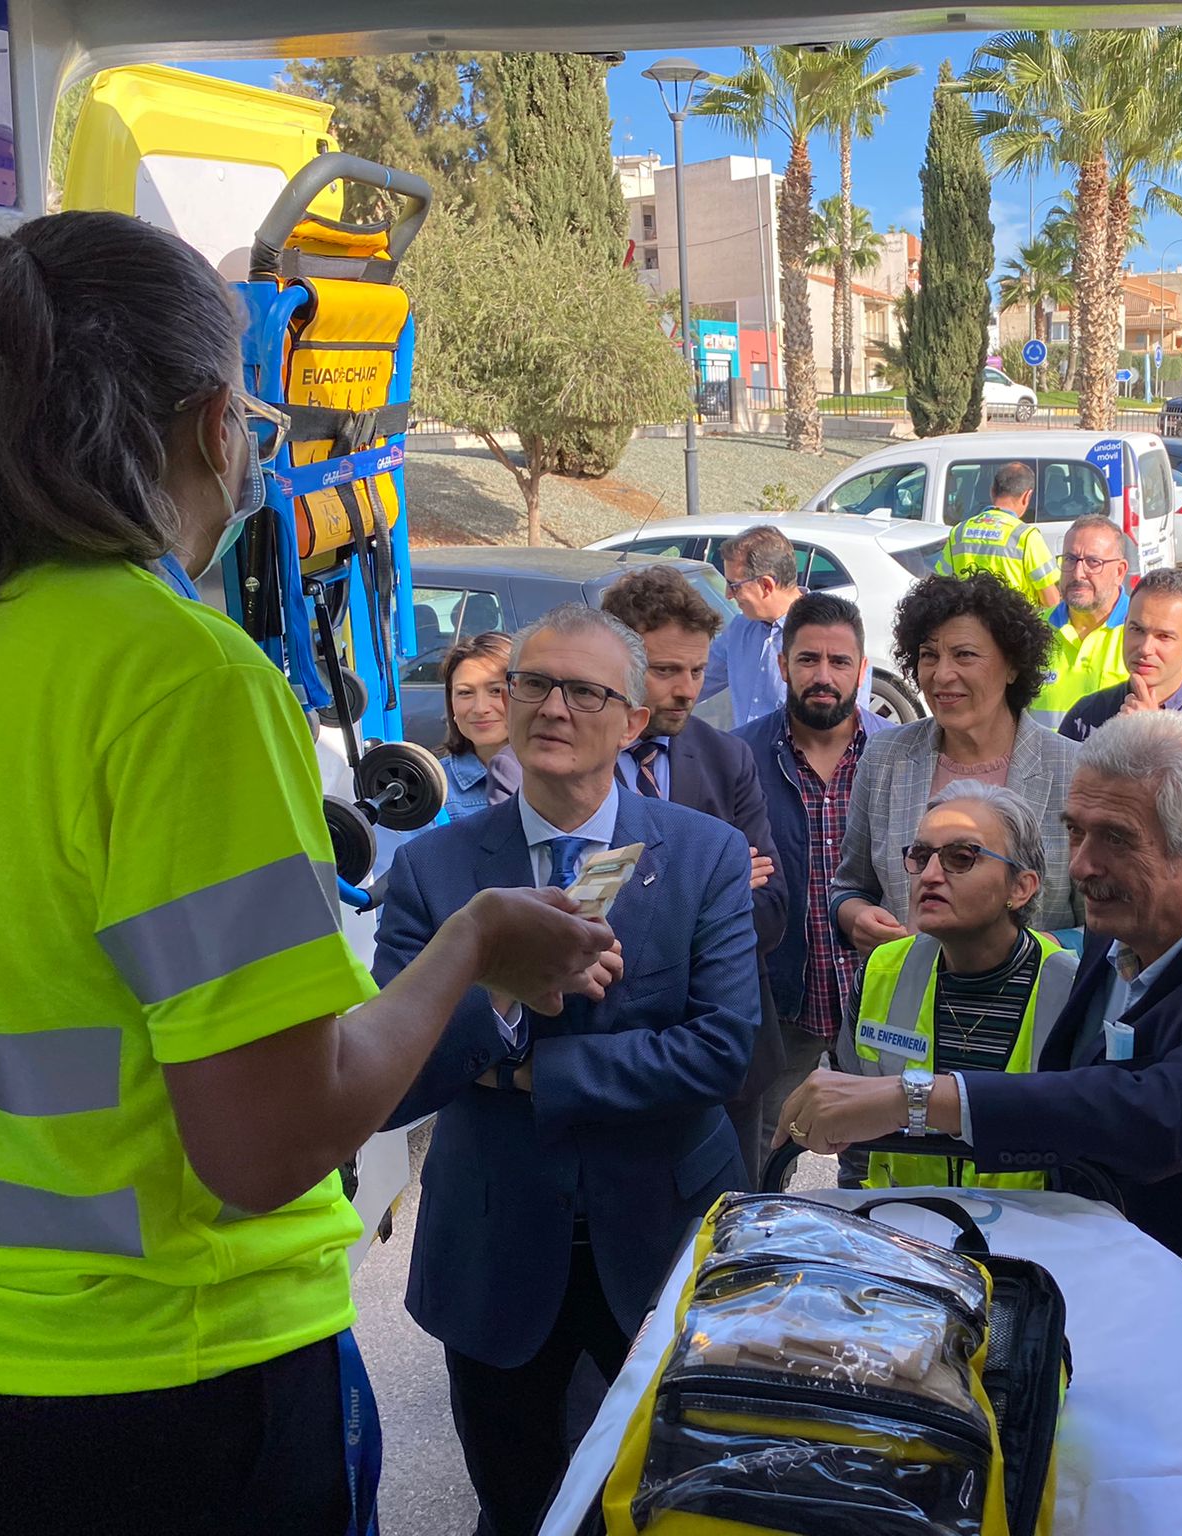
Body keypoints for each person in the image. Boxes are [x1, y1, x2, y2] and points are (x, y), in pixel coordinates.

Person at [0, 212, 613, 1536]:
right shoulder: (181, 681)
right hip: (176, 1390)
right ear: (212, 424)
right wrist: (470, 947)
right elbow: (270, 1148)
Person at [780, 711, 1182, 1520]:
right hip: (1105, 1314)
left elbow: (1161, 1115)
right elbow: (1071, 1098)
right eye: (1075, 832)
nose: (1084, 866)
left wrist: (912, 1096)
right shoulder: (1123, 931)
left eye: (1115, 840)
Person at [375, 605, 759, 1536]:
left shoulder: (704, 855)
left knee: (676, 1500)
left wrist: (537, 1078)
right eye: (533, 684)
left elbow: (722, 1047)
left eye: (584, 691)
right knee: (516, 1504)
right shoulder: (435, 871)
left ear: (631, 720)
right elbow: (398, 1068)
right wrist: (502, 994)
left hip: (663, 1237)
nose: (552, 707)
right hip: (496, 1245)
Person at [599, 565, 788, 1185]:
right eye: (665, 671)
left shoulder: (726, 756)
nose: (686, 690)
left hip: (725, 1055)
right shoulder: (573, 759)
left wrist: (642, 903)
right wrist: (715, 887)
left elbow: (771, 909)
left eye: (698, 671)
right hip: (613, 1055)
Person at [838, 782, 1078, 1189]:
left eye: (961, 858)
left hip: (1032, 1234)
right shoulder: (882, 971)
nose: (930, 875)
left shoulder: (1071, 988)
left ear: (1020, 888)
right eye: (920, 855)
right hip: (900, 1227)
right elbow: (854, 1139)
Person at [830, 572, 1082, 957]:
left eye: (964, 654)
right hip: (907, 1004)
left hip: (1035, 1006)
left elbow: (1110, 924)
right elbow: (850, 886)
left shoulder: (1073, 770)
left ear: (1012, 665)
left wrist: (1045, 948)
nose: (942, 675)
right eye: (929, 655)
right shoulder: (885, 758)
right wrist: (855, 916)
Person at [733, 591, 891, 1172]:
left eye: (839, 662)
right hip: (779, 1003)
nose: (823, 676)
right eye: (808, 660)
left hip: (879, 1002)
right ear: (783, 666)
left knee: (880, 1166)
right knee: (759, 1159)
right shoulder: (738, 757)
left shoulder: (897, 756)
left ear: (862, 670)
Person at [1059, 568, 1182, 852]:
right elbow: (1065, 811)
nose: (1145, 647)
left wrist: (1152, 737)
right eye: (1137, 630)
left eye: (1164, 637)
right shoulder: (1088, 714)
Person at [705, 523, 872, 726]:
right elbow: (699, 678)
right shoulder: (740, 629)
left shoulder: (833, 633)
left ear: (766, 585)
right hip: (745, 755)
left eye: (734, 586)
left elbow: (849, 726)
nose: (728, 595)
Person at [1030, 514, 1131, 721]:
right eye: (1070, 559)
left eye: (1093, 562)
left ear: (1119, 572)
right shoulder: (1034, 632)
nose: (1078, 574)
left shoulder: (1140, 635)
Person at [932, 460, 1060, 610]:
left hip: (971, 625)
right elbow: (1051, 601)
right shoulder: (1025, 537)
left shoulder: (959, 531)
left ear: (992, 491)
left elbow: (941, 585)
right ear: (1027, 496)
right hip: (1013, 626)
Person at [440, 630, 515, 820]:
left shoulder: (558, 776)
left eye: (496, 690)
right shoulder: (433, 788)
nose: (480, 708)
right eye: (465, 693)